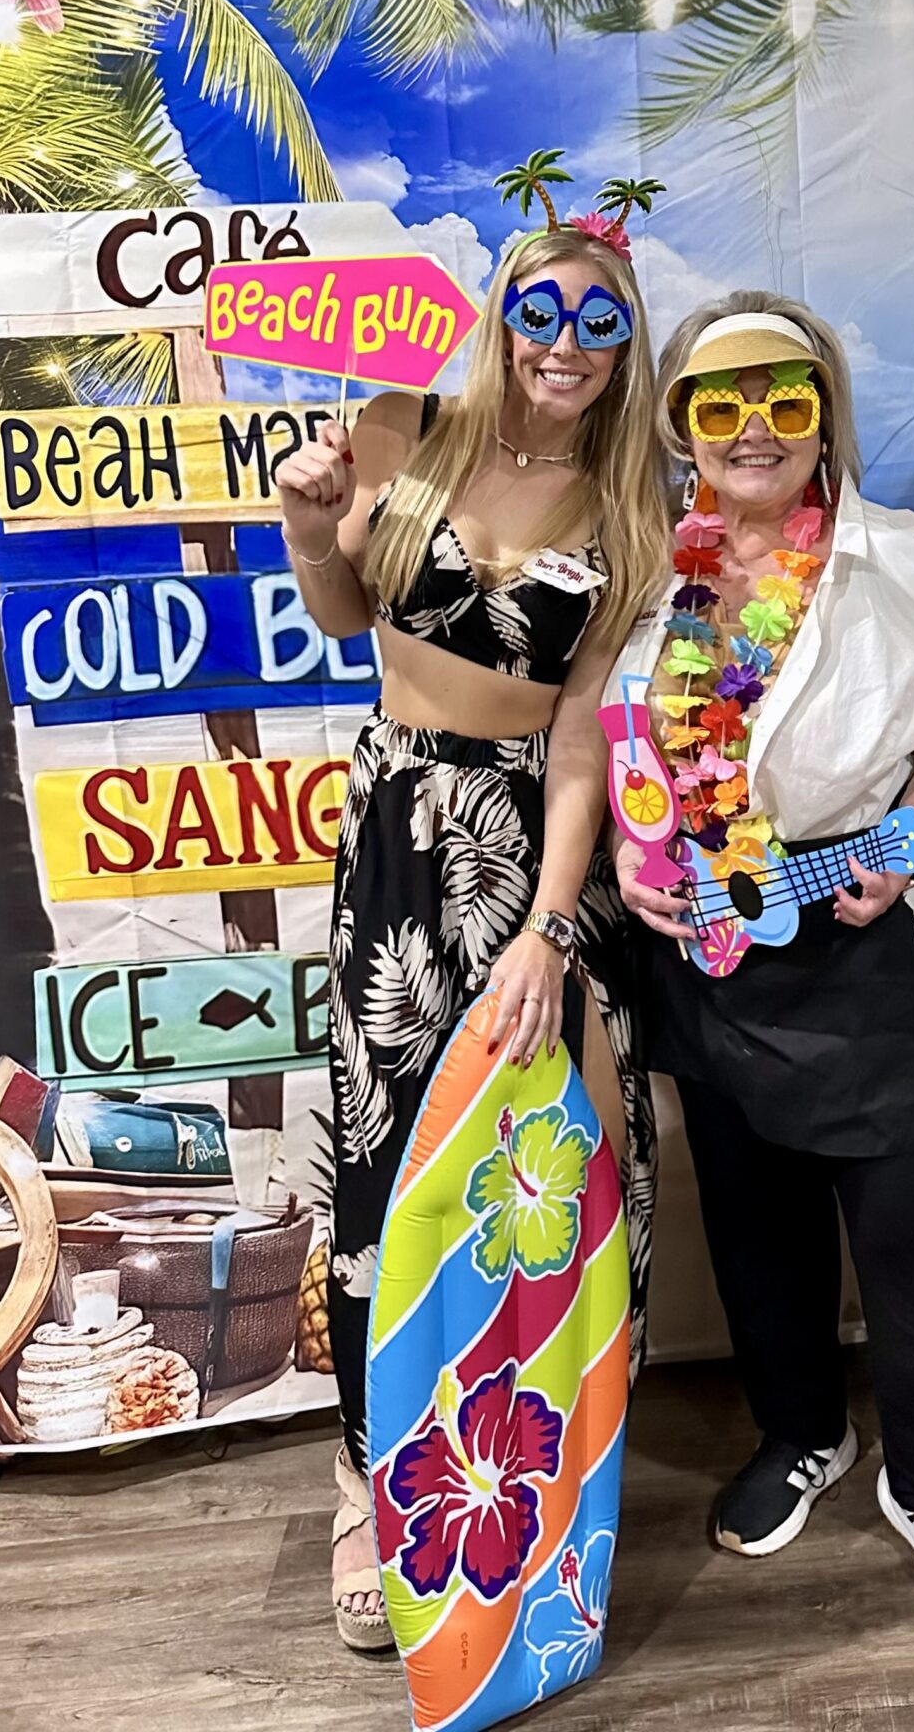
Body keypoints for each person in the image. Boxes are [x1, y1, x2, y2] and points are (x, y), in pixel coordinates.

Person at [598, 294, 914, 1632]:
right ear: (678, 426)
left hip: (880, 937)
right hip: (711, 943)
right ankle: (798, 1434)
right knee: (754, 1220)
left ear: (822, 409)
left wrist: (910, 837)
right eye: (719, 405)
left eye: (784, 398)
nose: (754, 430)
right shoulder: (642, 575)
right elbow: (602, 743)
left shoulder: (896, 558)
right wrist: (626, 853)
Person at [275, 223, 669, 1651]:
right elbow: (341, 615)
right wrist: (312, 527)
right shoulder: (402, 431)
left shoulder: (632, 507)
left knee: (541, 1161)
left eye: (600, 320)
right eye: (540, 309)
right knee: (383, 1167)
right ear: (501, 316)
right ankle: (365, 1482)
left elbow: (580, 750)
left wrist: (554, 929)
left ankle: (543, 1477)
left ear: (625, 347)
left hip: (539, 859)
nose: (564, 339)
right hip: (397, 836)